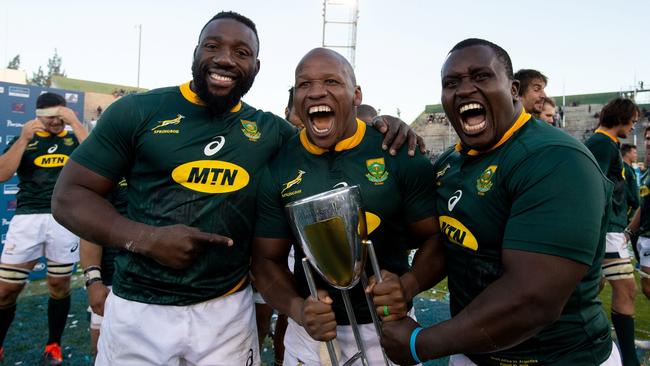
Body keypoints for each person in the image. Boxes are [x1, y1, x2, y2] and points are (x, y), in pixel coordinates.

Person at [50, 11, 422, 365]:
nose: (225, 59)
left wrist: (384, 126)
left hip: (226, 312)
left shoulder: (270, 132)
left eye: (242, 53)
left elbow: (329, 139)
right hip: (138, 307)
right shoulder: (137, 111)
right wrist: (146, 239)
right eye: (212, 46)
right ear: (196, 53)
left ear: (256, 68)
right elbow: (68, 198)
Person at [378, 38, 619, 366]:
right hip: (473, 353)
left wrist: (421, 343)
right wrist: (411, 282)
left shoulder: (556, 159)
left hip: (561, 359)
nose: (464, 90)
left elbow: (533, 300)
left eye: (480, 76)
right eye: (452, 83)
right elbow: (451, 239)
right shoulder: (451, 162)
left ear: (514, 89)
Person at [251, 47, 442, 365]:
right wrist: (299, 309)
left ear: (356, 95)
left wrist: (408, 286)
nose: (316, 92)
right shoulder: (278, 166)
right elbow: (265, 260)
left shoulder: (398, 154)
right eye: (304, 84)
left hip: (388, 325)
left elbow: (435, 239)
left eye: (331, 81)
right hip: (312, 335)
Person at [0, 92, 88, 365]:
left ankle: (54, 344)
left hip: (64, 217)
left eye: (58, 115)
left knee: (59, 284)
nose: (53, 121)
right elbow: (2, 174)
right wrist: (24, 138)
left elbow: (98, 158)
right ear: (38, 115)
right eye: (47, 116)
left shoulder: (75, 137)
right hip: (28, 217)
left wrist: (76, 123)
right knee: (5, 289)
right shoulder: (27, 138)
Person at [585, 98, 640, 366]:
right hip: (606, 231)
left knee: (594, 286)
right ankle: (629, 360)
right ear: (622, 116)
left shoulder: (607, 145)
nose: (634, 125)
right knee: (627, 289)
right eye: (633, 119)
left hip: (612, 230)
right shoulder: (601, 145)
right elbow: (588, 189)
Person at [79, 178, 127, 359]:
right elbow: (91, 223)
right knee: (103, 353)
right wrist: (93, 280)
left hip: (163, 280)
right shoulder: (114, 165)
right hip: (114, 279)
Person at [629, 127, 650, 300]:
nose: (649, 142)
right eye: (648, 138)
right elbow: (644, 206)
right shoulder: (647, 172)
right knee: (646, 286)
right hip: (644, 234)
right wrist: (628, 232)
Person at [621, 144, 640, 220]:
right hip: (627, 209)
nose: (636, 155)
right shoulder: (623, 169)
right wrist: (634, 202)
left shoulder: (630, 169)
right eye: (634, 153)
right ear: (628, 154)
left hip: (632, 207)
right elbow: (624, 188)